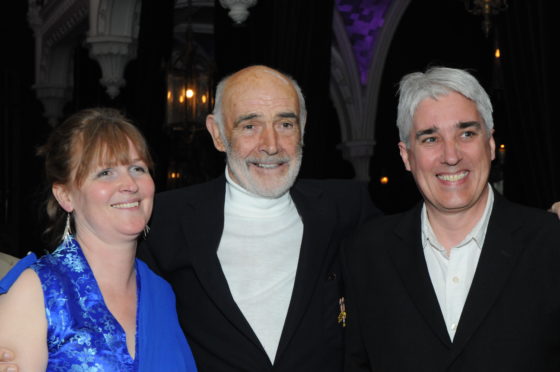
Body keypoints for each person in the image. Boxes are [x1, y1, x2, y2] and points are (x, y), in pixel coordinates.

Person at [137, 65, 382, 371]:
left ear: (303, 128)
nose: (271, 145)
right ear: (218, 134)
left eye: (285, 124)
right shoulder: (164, 220)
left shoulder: (346, 208)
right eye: (250, 126)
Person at [342, 66, 560, 371]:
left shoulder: (550, 243)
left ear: (490, 143)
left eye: (466, 133)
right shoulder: (366, 254)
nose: (451, 155)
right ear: (407, 156)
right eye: (430, 139)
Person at [0, 108, 197, 371]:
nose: (130, 184)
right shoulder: (38, 291)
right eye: (106, 172)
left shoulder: (161, 293)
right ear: (65, 196)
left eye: (137, 168)